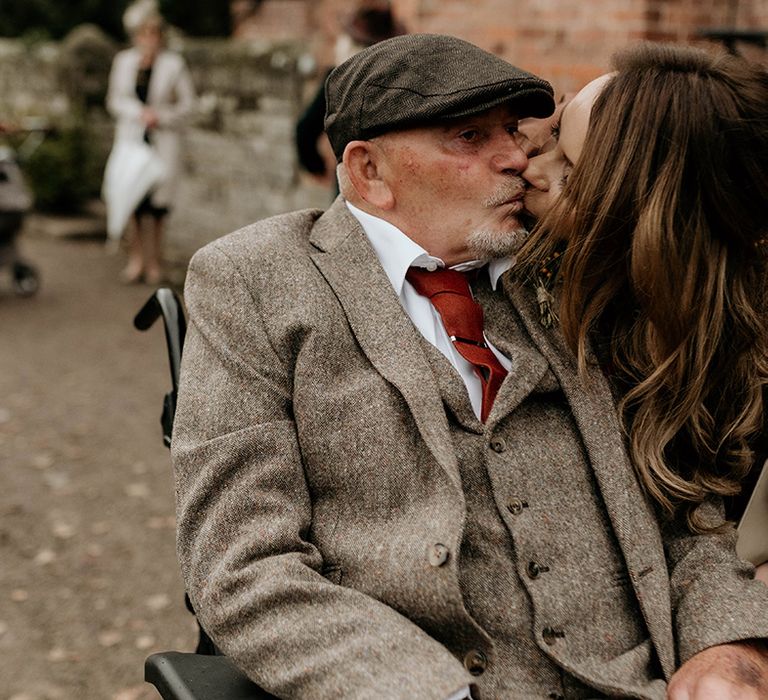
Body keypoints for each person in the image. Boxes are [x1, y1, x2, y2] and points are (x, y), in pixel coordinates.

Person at [172, 35, 768, 699]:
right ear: (369, 171)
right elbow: (244, 565)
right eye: (468, 136)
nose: (518, 158)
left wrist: (733, 650)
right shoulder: (253, 280)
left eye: (512, 130)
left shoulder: (577, 271)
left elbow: (686, 515)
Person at [517, 42, 768, 694]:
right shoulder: (553, 295)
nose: (529, 170)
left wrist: (743, 647)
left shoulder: (745, 346)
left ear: (644, 214)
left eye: (569, 169)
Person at [105, 0, 195, 284]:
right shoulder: (124, 62)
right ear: (136, 36)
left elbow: (188, 105)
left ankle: (156, 262)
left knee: (157, 208)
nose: (149, 40)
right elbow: (115, 100)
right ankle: (136, 260)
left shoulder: (174, 65)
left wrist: (161, 116)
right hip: (132, 142)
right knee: (132, 201)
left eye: (154, 34)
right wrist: (138, 113)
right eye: (144, 34)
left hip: (162, 143)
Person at [294, 0, 405, 193]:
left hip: (352, 188)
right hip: (397, 190)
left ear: (354, 45)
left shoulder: (338, 82)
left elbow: (305, 130)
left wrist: (315, 167)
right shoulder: (403, 80)